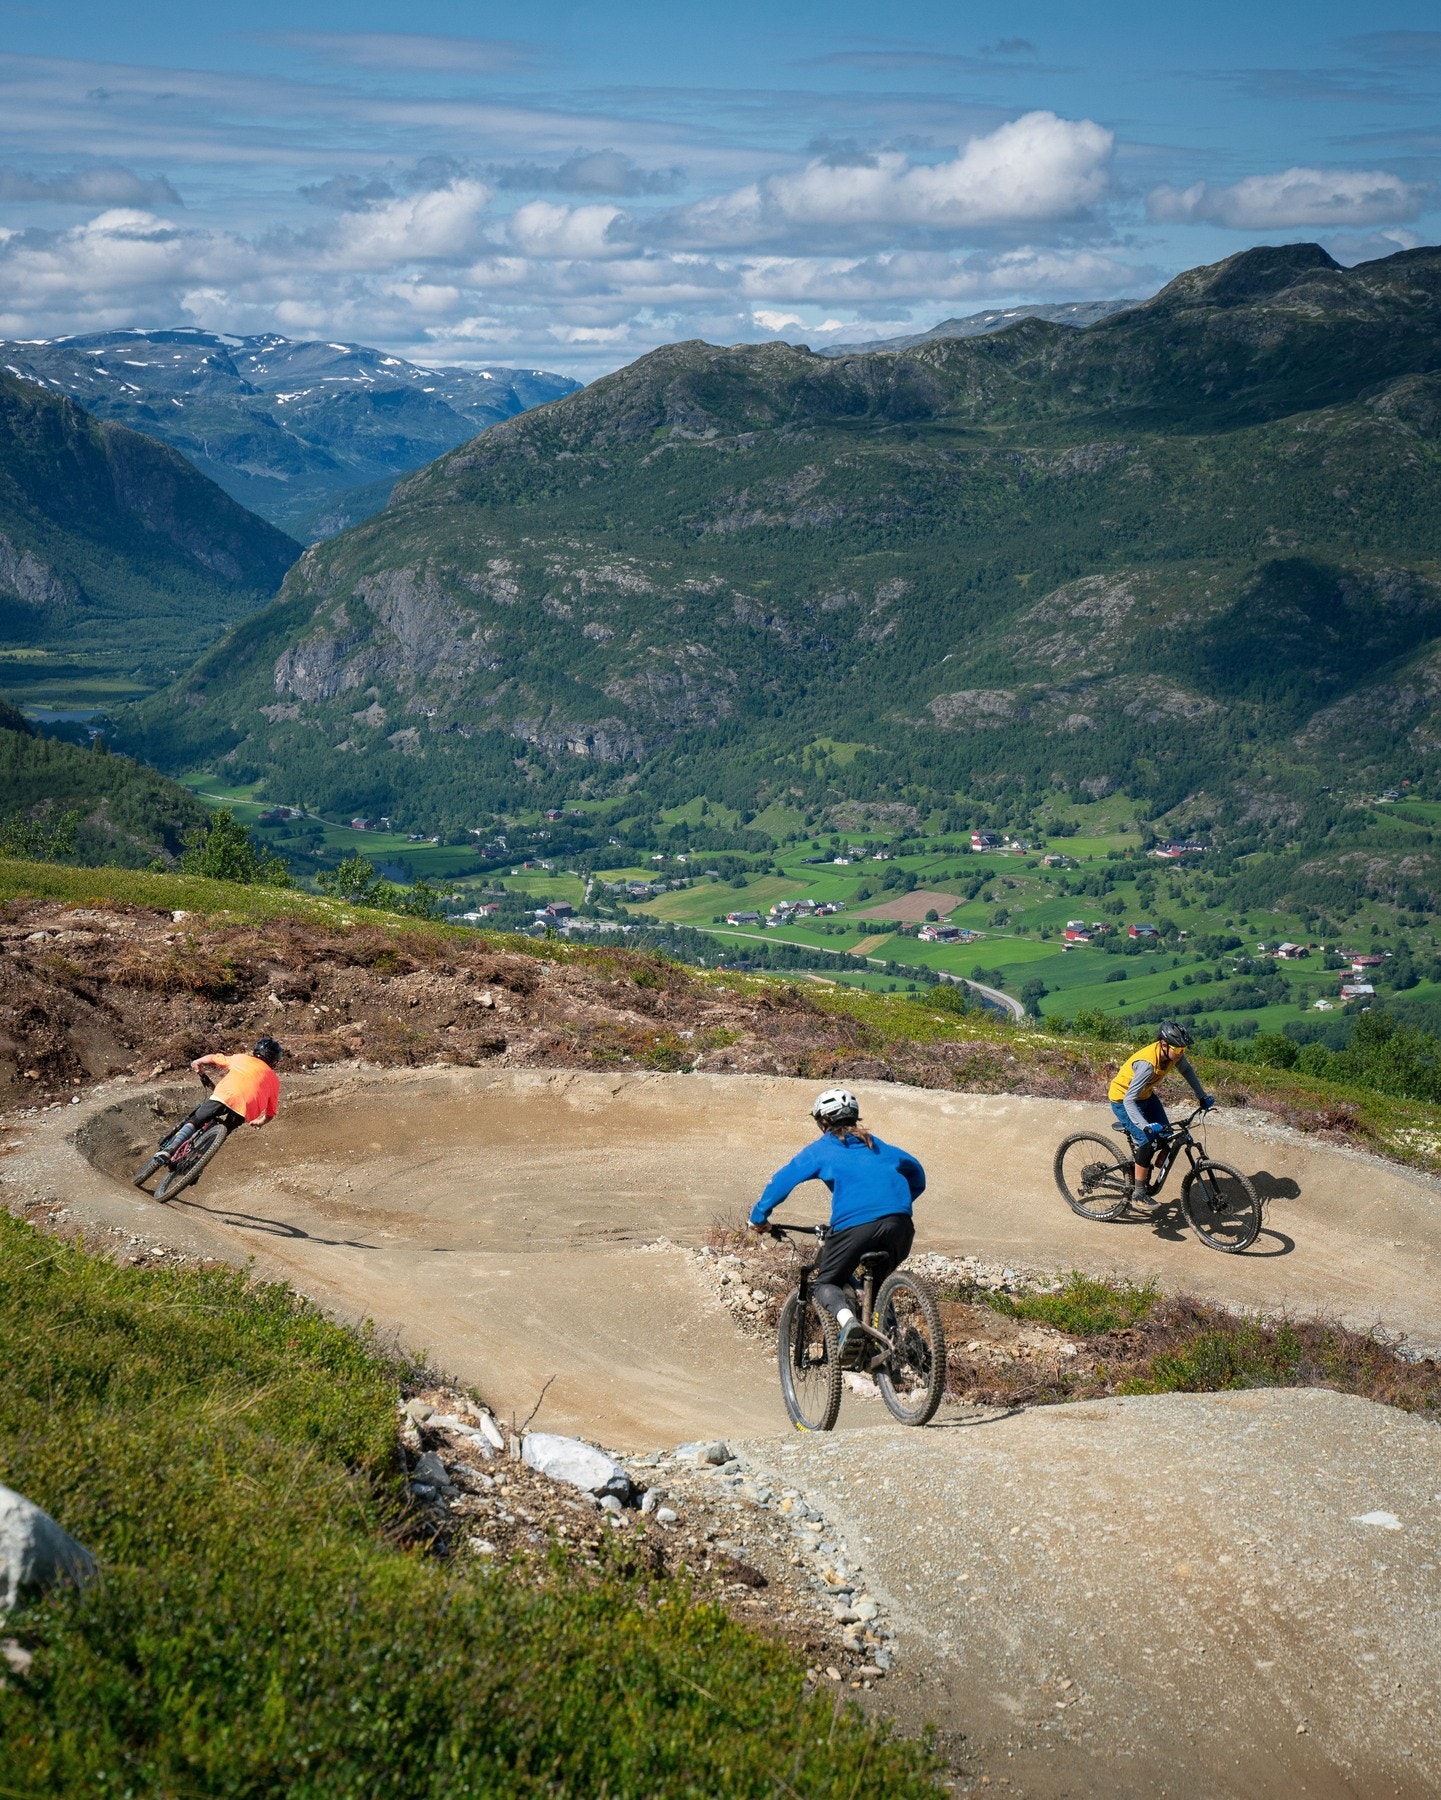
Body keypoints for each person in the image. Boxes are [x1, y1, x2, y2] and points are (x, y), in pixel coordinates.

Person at [750, 1087, 925, 1365]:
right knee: (879, 1286)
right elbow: (918, 1175)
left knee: (826, 1282)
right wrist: (894, 1206)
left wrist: (759, 1217)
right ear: (854, 1118)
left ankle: (848, 1323)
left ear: (822, 1123)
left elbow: (783, 1180)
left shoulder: (823, 1149)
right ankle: (891, 1346)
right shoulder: (877, 1145)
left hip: (855, 1228)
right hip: (900, 1225)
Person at [1108, 1021, 1213, 1203]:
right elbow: (1128, 1100)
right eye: (1178, 1050)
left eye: (1184, 1050)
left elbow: (1187, 1071)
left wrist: (1202, 1096)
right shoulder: (1147, 1064)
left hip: (1146, 1097)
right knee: (1146, 1142)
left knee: (1166, 1135)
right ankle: (1139, 1192)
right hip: (1123, 1100)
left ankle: (1140, 1165)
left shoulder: (1173, 1055)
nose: (1181, 1054)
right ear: (1164, 1045)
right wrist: (1145, 1126)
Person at [156, 1037, 284, 1164]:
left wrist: (198, 1062)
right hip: (244, 1111)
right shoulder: (274, 1081)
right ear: (274, 1061)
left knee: (196, 1120)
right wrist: (260, 1122)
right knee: (223, 1133)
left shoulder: (242, 1058)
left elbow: (213, 1058)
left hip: (224, 1096)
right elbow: (271, 1113)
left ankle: (170, 1149)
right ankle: (197, 1163)